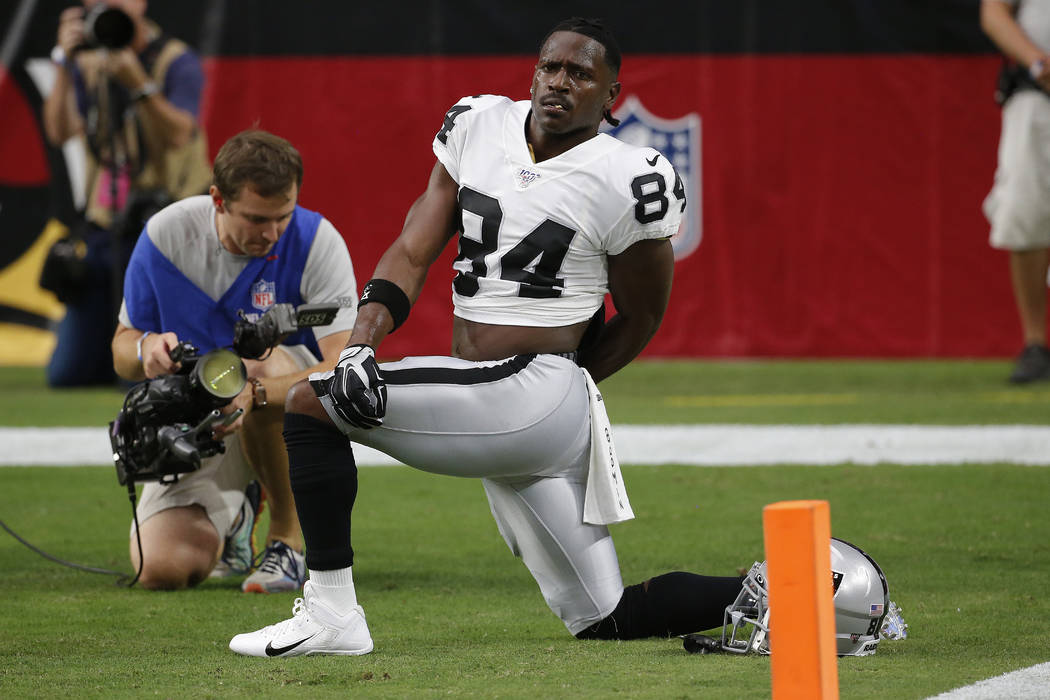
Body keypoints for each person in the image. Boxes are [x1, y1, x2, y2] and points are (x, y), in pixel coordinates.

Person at [229, 17, 742, 658]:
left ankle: (333, 613)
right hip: (492, 395)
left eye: (580, 74)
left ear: (611, 93)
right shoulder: (478, 123)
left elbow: (640, 316)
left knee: (310, 403)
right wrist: (362, 342)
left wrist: (566, 381)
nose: (559, 82)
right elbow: (413, 251)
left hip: (537, 390)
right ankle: (798, 589)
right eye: (549, 67)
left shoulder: (629, 175)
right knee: (606, 616)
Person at [111, 129, 358, 592]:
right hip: (201, 418)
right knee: (160, 569)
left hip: (285, 415)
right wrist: (148, 351)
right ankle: (239, 515)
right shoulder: (167, 235)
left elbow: (343, 364)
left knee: (259, 369)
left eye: (283, 216)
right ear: (218, 200)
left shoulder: (316, 240)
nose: (271, 232)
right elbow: (122, 349)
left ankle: (288, 541)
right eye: (256, 218)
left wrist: (255, 391)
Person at [42, 0, 211, 387]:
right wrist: (63, 64)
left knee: (139, 377)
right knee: (67, 374)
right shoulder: (85, 60)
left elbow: (179, 133)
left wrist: (139, 84)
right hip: (107, 228)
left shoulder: (174, 58)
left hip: (164, 225)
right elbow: (59, 131)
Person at [981, 0, 1050, 383]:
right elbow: (994, 12)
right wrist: (1037, 61)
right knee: (1026, 212)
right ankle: (1036, 343)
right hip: (1038, 93)